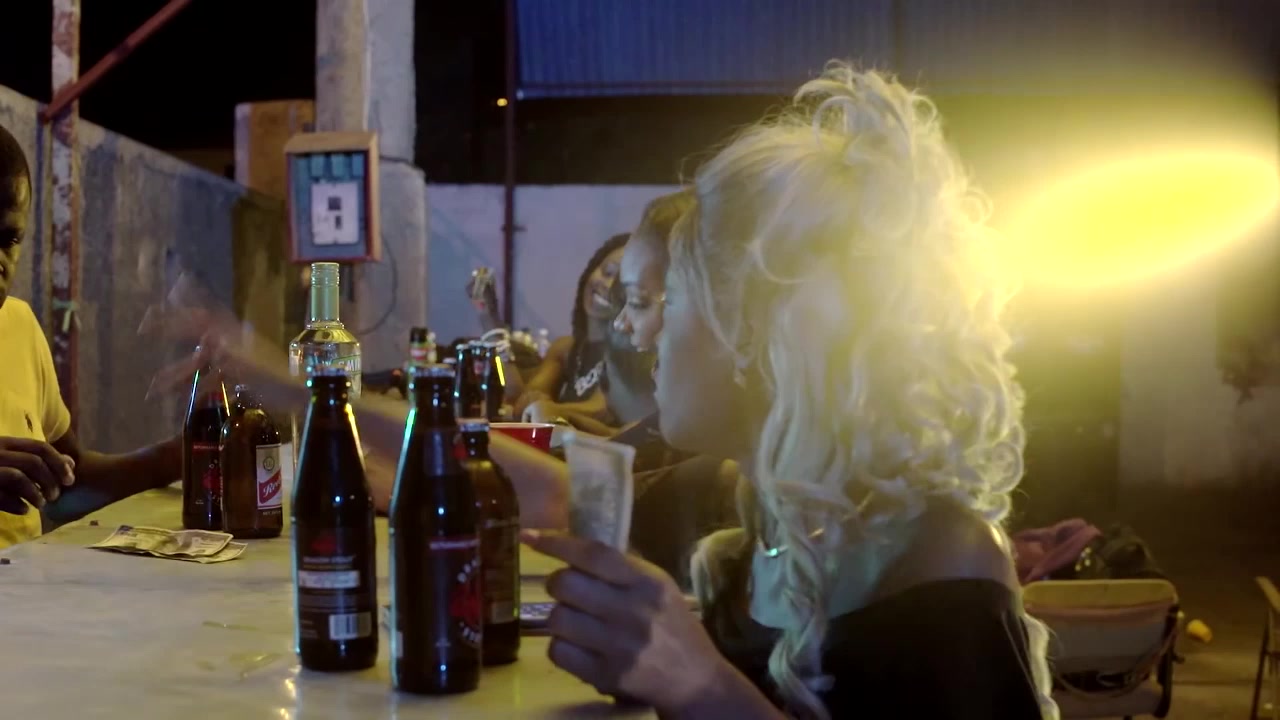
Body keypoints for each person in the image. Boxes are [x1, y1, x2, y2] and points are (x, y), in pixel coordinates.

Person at [520, 63, 1057, 719]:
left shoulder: (942, 559)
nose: (649, 340)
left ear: (750, 333)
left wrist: (697, 685)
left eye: (674, 299)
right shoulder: (763, 527)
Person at [0, 124, 181, 549]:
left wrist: (176, 457)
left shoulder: (19, 325)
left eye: (10, 239)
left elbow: (70, 482)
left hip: (22, 582)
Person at [508, 233, 629, 422]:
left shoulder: (629, 353)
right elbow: (523, 400)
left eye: (622, 284)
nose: (608, 285)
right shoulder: (566, 349)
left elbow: (603, 408)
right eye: (607, 272)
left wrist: (553, 409)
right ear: (590, 270)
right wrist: (489, 320)